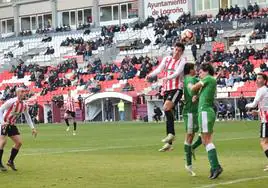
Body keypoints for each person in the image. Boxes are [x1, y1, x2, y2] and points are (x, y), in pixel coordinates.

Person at [147, 42, 186, 152]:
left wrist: (166, 78)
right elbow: (159, 69)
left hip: (176, 88)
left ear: (182, 52)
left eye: (179, 50)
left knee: (166, 108)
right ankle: (169, 144)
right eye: (175, 49)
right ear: (173, 49)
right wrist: (150, 75)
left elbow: (177, 73)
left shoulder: (182, 61)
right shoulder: (167, 59)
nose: (176, 52)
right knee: (168, 114)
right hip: (166, 89)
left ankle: (172, 134)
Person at [191, 63, 223, 179]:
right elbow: (201, 93)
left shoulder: (208, 78)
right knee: (205, 139)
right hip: (205, 111)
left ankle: (215, 167)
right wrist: (197, 96)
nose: (199, 74)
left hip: (205, 112)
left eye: (200, 72)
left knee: (207, 140)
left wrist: (190, 84)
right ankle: (214, 166)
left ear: (206, 71)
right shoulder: (210, 80)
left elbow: (194, 87)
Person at [0, 87, 37, 171]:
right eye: (22, 91)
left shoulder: (24, 105)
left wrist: (33, 128)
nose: (24, 93)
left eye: (24, 91)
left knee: (19, 143)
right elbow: (0, 109)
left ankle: (10, 161)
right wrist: (2, 122)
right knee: (2, 142)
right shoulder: (11, 101)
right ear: (17, 93)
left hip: (12, 124)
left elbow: (27, 117)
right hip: (4, 123)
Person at [182, 63, 203, 176]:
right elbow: (191, 88)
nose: (195, 70)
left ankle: (193, 148)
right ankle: (188, 164)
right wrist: (193, 93)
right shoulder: (189, 79)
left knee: (204, 134)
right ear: (190, 70)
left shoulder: (194, 78)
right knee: (190, 135)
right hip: (190, 111)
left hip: (198, 110)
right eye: (194, 68)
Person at [245, 73, 268, 171]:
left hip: (266, 119)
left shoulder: (261, 90)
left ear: (264, 81)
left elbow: (254, 103)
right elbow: (266, 106)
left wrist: (246, 106)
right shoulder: (266, 90)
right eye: (257, 78)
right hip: (265, 116)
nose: (257, 80)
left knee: (263, 142)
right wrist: (258, 112)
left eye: (259, 78)